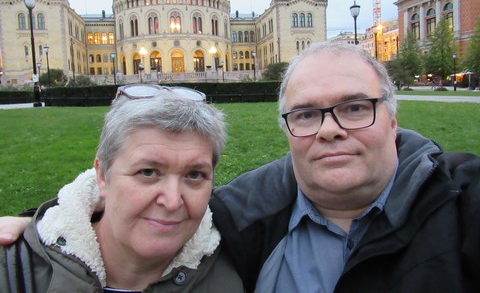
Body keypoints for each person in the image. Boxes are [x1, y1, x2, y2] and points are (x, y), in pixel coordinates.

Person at [2, 42, 480, 292]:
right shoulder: (244, 216)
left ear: (393, 118)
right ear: (287, 129)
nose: (330, 129)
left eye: (355, 107)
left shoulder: (464, 200)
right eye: (307, 114)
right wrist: (38, 231)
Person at [0, 84, 243, 292]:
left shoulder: (240, 267)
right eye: (148, 172)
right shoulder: (14, 272)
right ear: (103, 175)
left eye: (194, 175)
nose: (172, 201)